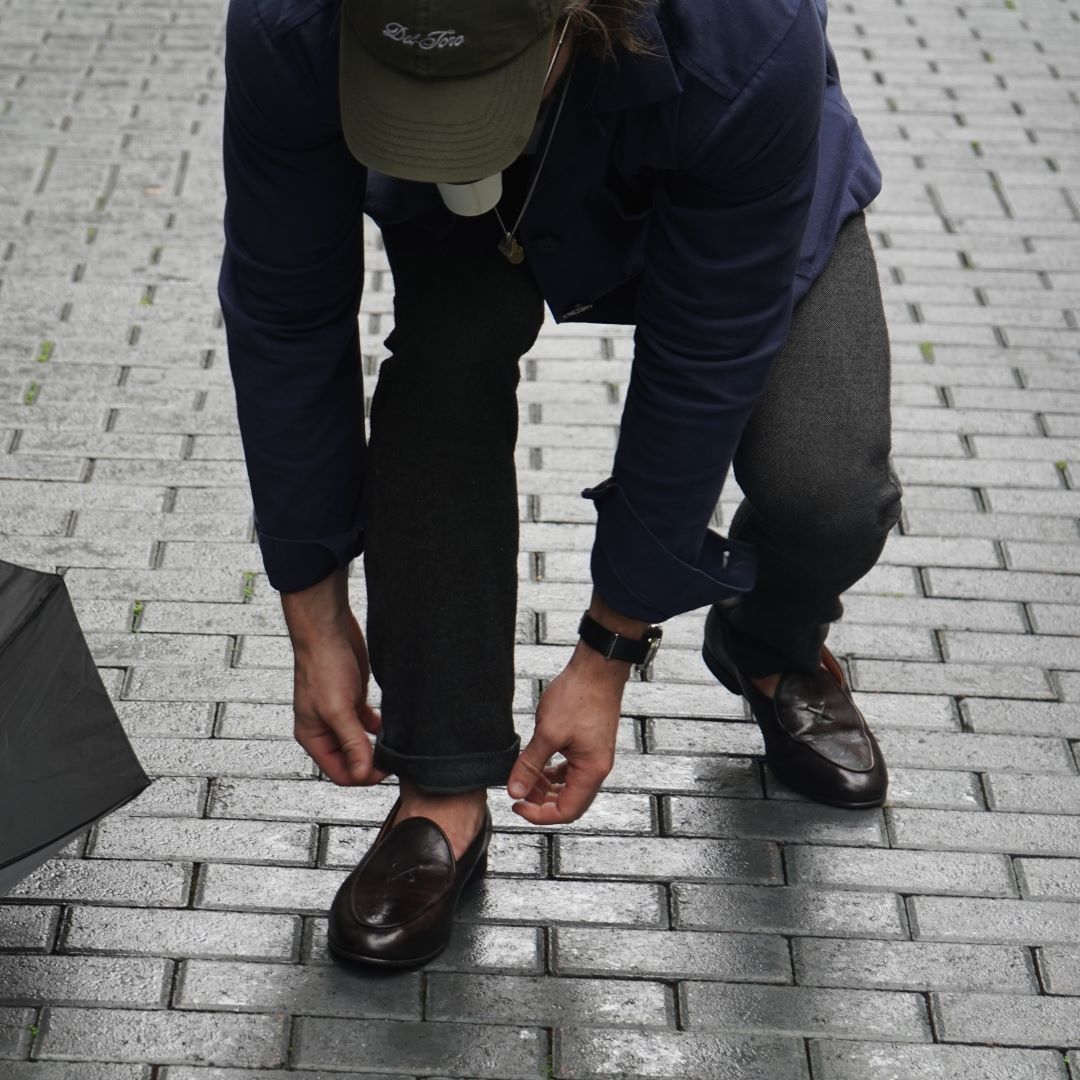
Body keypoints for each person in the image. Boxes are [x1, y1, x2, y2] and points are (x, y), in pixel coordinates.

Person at [218, 0, 902, 968]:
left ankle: (773, 646)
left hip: (720, 155)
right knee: (443, 368)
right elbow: (285, 314)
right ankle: (440, 788)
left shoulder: (747, 34)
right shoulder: (290, 26)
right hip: (473, 208)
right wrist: (313, 611)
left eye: (468, 91)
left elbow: (704, 356)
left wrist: (607, 650)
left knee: (825, 486)